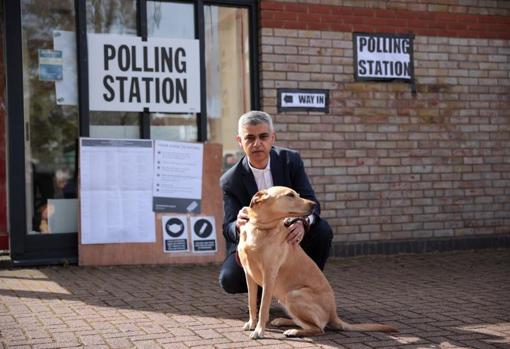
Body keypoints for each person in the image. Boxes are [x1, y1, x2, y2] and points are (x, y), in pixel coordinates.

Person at [218, 110, 333, 294]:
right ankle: (261, 295)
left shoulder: (290, 161)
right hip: (255, 243)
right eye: (249, 138)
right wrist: (238, 225)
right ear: (240, 141)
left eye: (263, 136)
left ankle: (307, 289)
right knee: (229, 279)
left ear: (273, 138)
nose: (257, 144)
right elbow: (228, 229)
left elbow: (312, 203)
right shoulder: (230, 180)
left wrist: (303, 223)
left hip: (287, 236)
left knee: (322, 231)